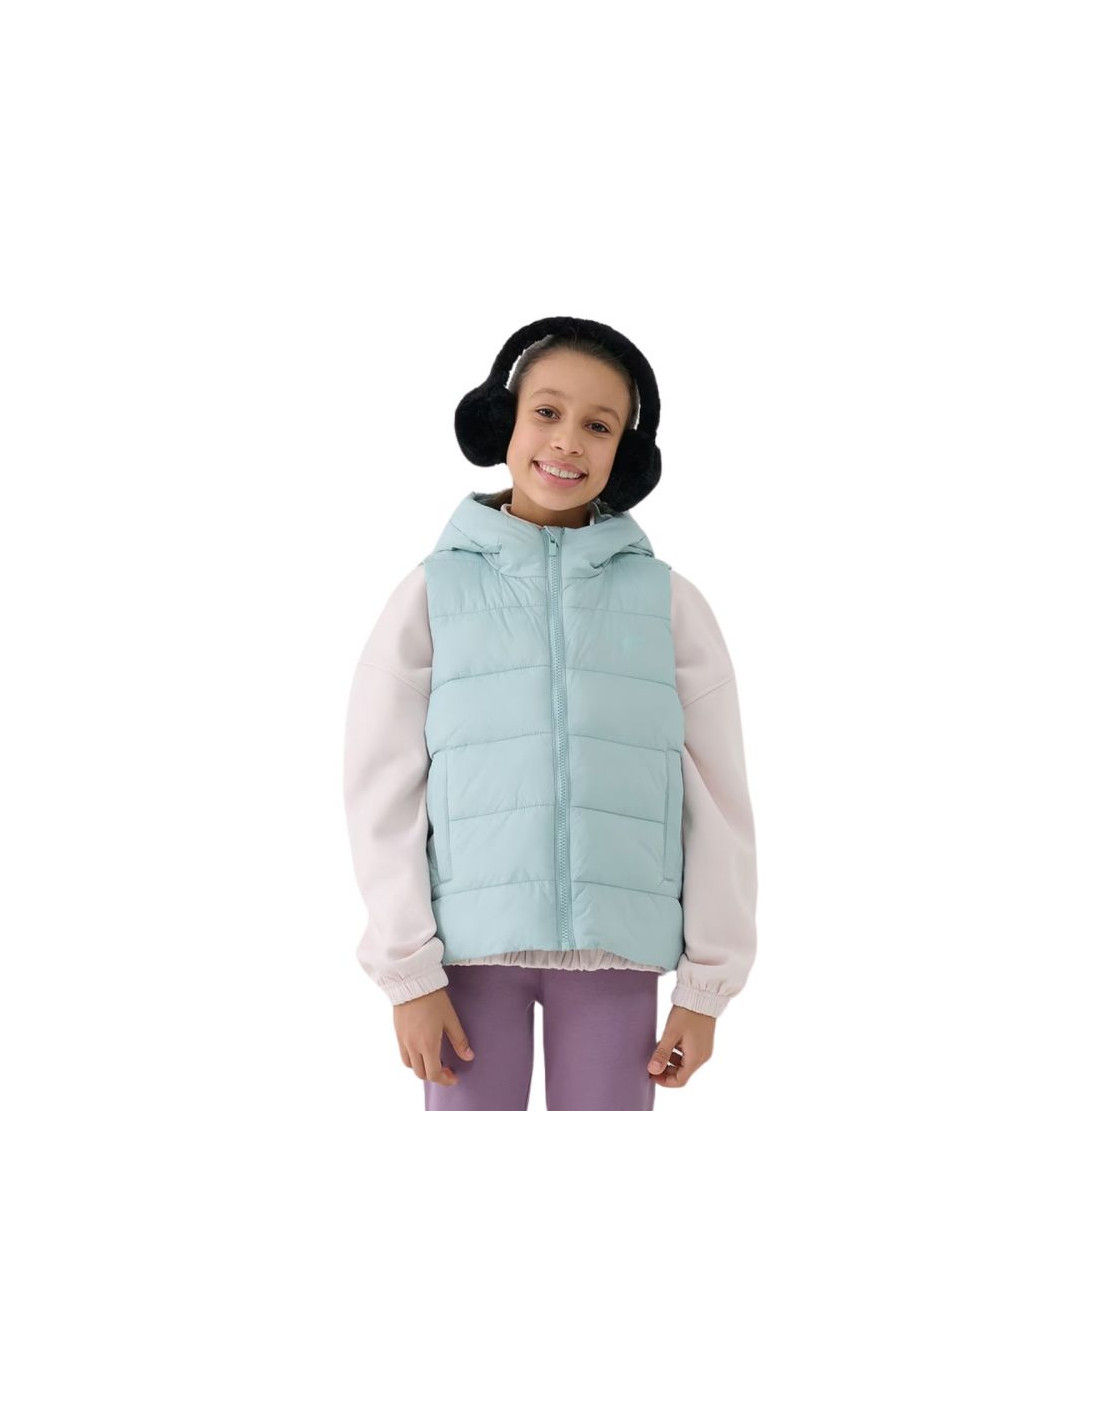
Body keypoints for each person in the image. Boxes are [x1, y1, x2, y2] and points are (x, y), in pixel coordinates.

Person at [342, 316, 758, 1110]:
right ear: (499, 421)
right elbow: (380, 789)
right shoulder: (432, 593)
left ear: (626, 455)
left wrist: (706, 989)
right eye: (546, 412)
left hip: (618, 950)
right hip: (463, 957)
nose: (568, 441)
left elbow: (718, 801)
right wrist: (408, 974)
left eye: (599, 426)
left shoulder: (668, 605)